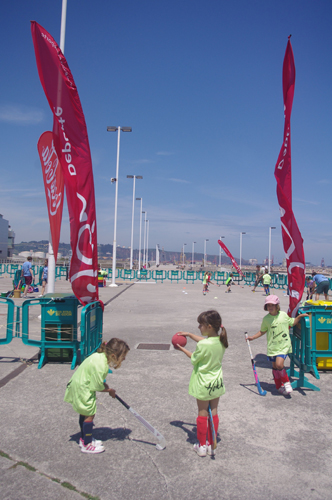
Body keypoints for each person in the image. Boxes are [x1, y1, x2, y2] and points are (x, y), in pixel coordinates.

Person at [176, 310, 228, 457]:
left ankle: (201, 445)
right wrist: (190, 335)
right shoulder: (222, 340)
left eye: (201, 325)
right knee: (215, 411)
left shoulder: (203, 345)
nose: (199, 327)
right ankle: (212, 443)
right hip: (216, 382)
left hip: (203, 383)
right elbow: (206, 342)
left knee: (203, 413)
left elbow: (194, 358)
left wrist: (181, 348)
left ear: (209, 326)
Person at [64, 338, 130, 454]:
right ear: (114, 356)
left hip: (79, 384)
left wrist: (104, 384)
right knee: (90, 414)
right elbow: (96, 386)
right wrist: (109, 390)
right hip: (83, 388)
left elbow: (94, 377)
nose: (124, 359)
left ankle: (84, 438)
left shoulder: (99, 356)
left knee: (85, 412)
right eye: (122, 356)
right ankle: (87, 443)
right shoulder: (102, 366)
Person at [246, 295, 308, 395]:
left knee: (279, 364)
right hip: (272, 347)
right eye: (268, 305)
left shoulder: (283, 315)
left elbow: (292, 323)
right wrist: (252, 337)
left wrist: (299, 317)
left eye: (272, 305)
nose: (270, 307)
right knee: (274, 367)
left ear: (277, 306)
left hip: (283, 345)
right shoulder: (266, 319)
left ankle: (287, 383)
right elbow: (262, 331)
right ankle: (279, 386)